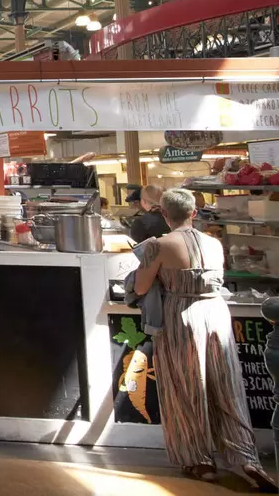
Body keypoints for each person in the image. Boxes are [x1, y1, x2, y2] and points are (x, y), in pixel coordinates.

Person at [133, 189, 278, 491]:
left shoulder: (158, 245)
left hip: (181, 315)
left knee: (186, 387)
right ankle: (244, 457)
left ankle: (199, 460)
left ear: (163, 214)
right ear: (194, 213)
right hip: (216, 311)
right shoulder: (214, 242)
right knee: (227, 387)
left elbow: (142, 286)